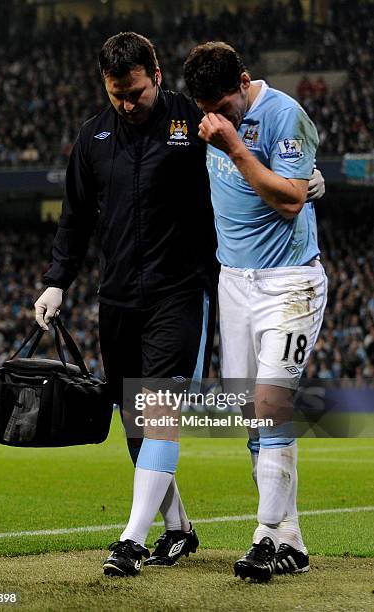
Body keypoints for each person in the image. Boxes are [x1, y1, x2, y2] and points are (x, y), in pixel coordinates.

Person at [34, 32, 218, 577]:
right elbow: (76, 217)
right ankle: (179, 529)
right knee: (134, 421)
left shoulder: (194, 123)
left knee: (157, 406)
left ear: (156, 77)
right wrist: (56, 280)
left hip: (180, 291)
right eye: (116, 95)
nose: (126, 104)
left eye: (135, 92)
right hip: (116, 298)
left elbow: (243, 158)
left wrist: (300, 180)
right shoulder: (92, 136)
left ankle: (131, 539)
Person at [183, 42, 328, 582]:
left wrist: (234, 146)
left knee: (271, 404)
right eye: (206, 110)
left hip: (290, 282)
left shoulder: (283, 113)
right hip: (233, 283)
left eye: (222, 105)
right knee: (252, 417)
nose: (214, 118)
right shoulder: (205, 116)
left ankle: (265, 535)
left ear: (245, 80)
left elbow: (291, 199)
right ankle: (290, 540)